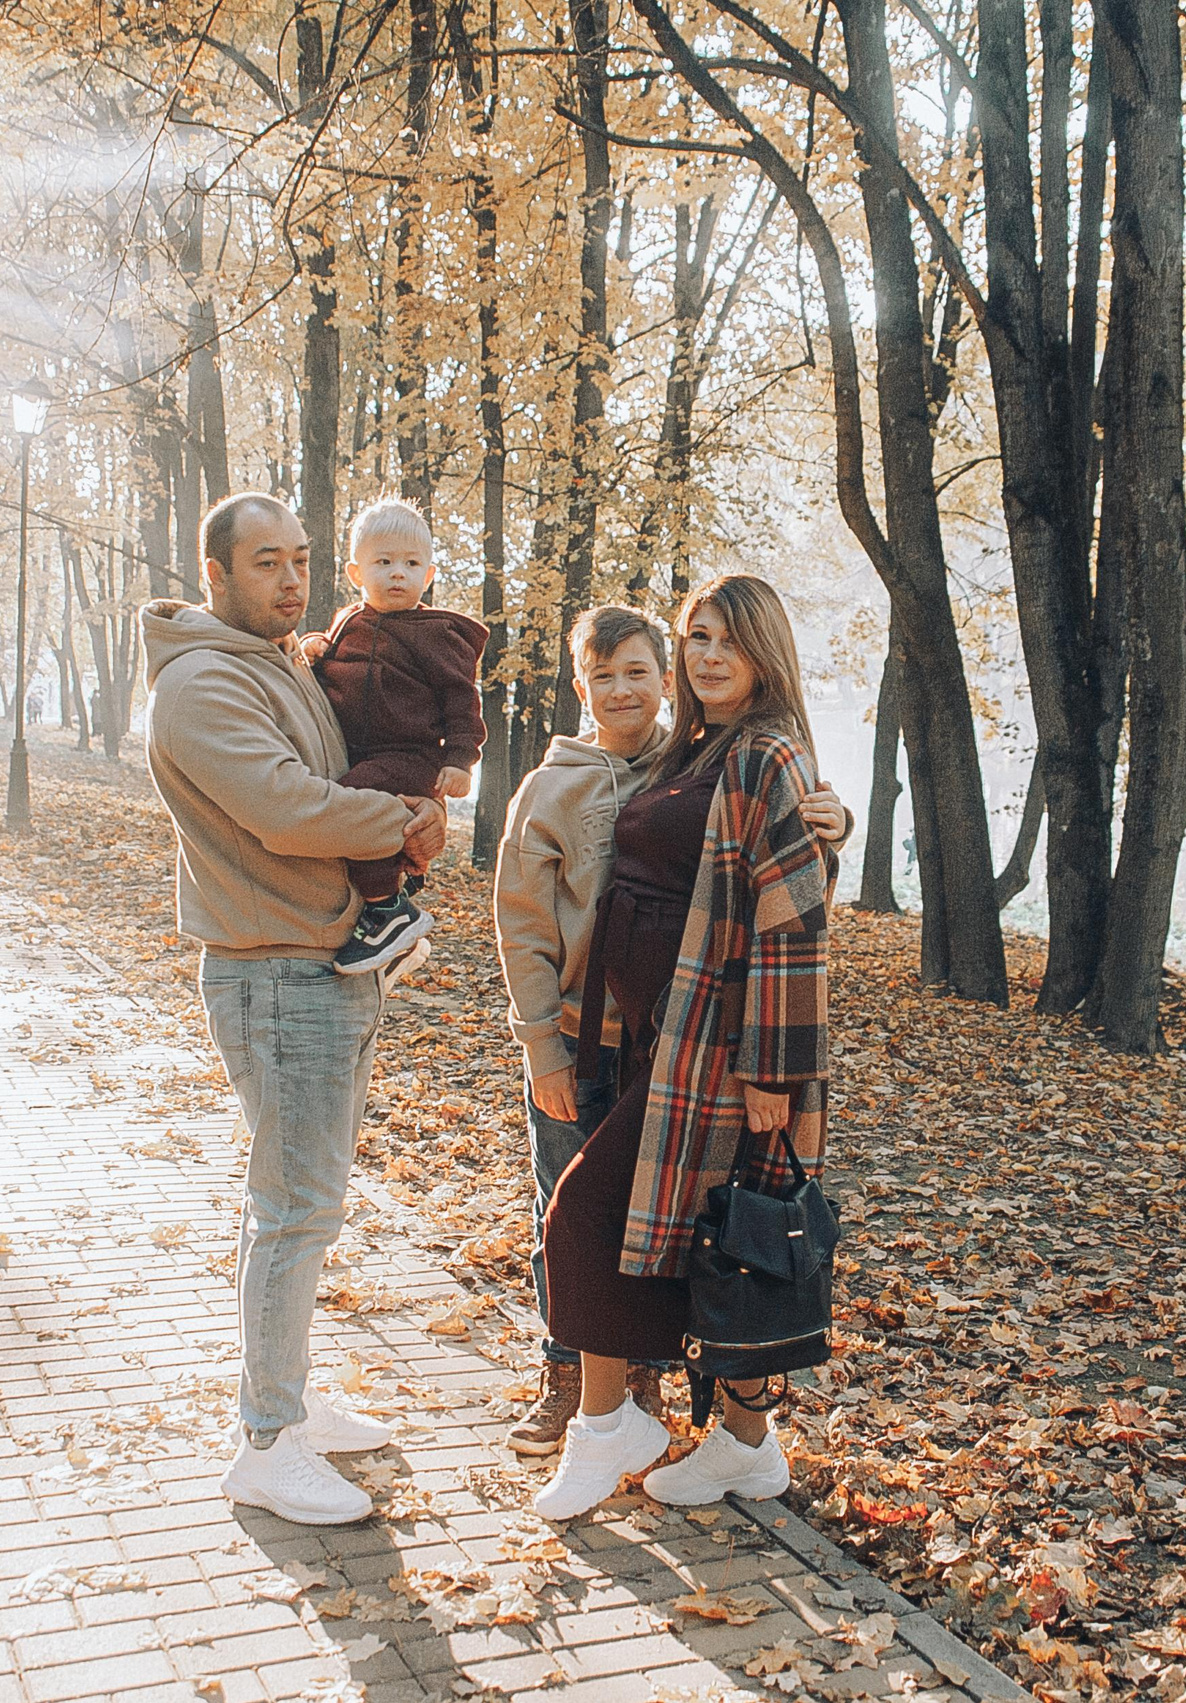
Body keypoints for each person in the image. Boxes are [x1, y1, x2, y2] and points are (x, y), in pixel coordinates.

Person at [142, 489, 448, 1527]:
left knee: (295, 1203)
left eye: (301, 558)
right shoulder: (198, 685)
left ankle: (290, 1397)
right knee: (294, 1208)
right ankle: (266, 1441)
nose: (289, 578)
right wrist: (405, 817)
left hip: (320, 965)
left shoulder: (277, 660)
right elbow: (284, 805)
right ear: (215, 574)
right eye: (264, 561)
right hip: (275, 972)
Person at [492, 605, 848, 1457]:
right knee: (566, 1203)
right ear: (581, 687)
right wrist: (541, 1043)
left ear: (662, 679)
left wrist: (828, 825)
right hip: (580, 1039)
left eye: (638, 671)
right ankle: (569, 1375)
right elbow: (521, 926)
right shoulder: (557, 784)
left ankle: (643, 1392)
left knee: (646, 1211)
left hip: (669, 1042)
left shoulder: (699, 758)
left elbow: (773, 874)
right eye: (603, 676)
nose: (623, 689)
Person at [303, 497, 487, 975]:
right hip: (361, 751)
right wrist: (316, 649)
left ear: (428, 575)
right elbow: (339, 667)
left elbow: (460, 696)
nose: (398, 574)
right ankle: (398, 883)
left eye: (410, 564)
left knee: (346, 803)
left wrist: (461, 758)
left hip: (409, 753)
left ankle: (388, 909)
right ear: (356, 572)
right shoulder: (349, 622)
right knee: (355, 800)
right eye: (383, 563)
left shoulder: (435, 634)